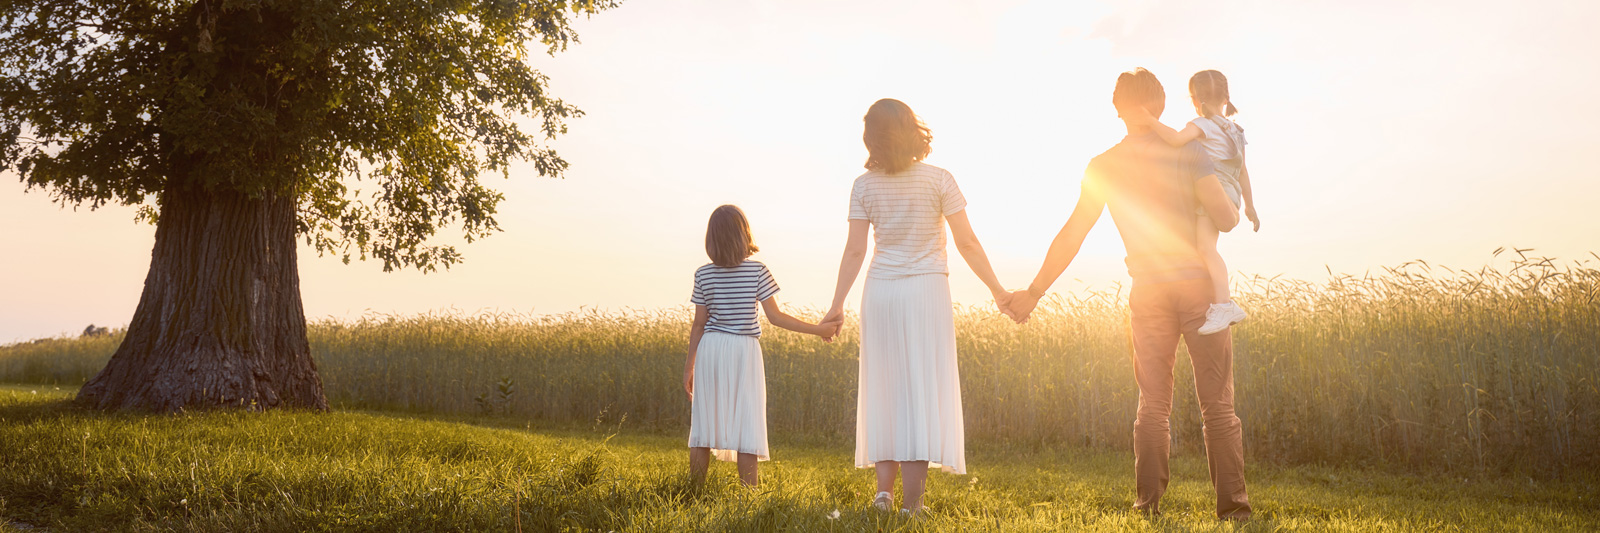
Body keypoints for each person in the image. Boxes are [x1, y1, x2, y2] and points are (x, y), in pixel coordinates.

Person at [1007, 69, 1252, 520]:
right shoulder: (1192, 152)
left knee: (1153, 404)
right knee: (1217, 404)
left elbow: (1073, 234)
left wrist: (1035, 291)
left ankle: (1147, 506)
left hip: (1149, 291)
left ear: (1118, 108)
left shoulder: (1104, 165)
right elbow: (1225, 217)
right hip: (1201, 288)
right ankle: (1234, 510)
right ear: (1160, 108)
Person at [820, 98, 1015, 515]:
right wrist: (998, 291)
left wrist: (836, 306)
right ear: (913, 130)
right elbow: (967, 243)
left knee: (887, 388)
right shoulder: (939, 179)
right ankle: (913, 504)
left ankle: (884, 494)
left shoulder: (863, 185)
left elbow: (855, 251)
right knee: (920, 391)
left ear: (871, 137)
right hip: (926, 292)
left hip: (882, 293)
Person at [685, 204, 840, 487]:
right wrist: (818, 330)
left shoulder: (703, 274)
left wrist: (689, 367)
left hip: (711, 348)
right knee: (747, 420)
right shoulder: (757, 271)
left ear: (712, 238)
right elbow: (776, 317)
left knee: (703, 422)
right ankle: (749, 492)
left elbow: (698, 324)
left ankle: (694, 489)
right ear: (744, 234)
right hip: (743, 350)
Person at [1126, 69, 1258, 335]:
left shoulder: (1202, 125)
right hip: (1230, 192)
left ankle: (1224, 304)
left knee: (1206, 249)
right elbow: (1242, 171)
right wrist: (1250, 207)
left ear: (1195, 100)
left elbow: (1175, 140)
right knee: (1208, 248)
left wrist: (1150, 121)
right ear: (1226, 97)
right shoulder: (1237, 130)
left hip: (1213, 190)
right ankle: (1222, 303)